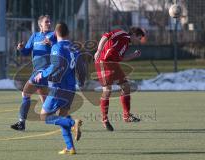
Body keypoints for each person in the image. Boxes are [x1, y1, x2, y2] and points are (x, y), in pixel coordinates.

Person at [34, 22, 86, 155]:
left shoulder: (57, 47)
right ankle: (70, 147)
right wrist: (81, 81)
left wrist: (42, 74)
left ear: (56, 33)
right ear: (68, 33)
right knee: (61, 116)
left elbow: (57, 64)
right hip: (71, 88)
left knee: (44, 116)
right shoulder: (75, 47)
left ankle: (72, 123)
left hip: (58, 88)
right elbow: (81, 66)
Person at [94, 27, 145, 131]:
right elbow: (105, 36)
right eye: (138, 38)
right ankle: (104, 120)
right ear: (134, 35)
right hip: (103, 62)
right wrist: (99, 50)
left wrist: (133, 55)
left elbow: (120, 58)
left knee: (126, 86)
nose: (138, 41)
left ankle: (127, 116)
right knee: (107, 90)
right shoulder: (121, 33)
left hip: (114, 64)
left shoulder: (126, 44)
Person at [11, 15, 57, 131]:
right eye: (46, 22)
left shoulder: (52, 35)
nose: (49, 24)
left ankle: (21, 123)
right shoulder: (35, 36)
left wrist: (51, 44)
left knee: (25, 94)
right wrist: (21, 48)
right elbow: (26, 51)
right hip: (37, 71)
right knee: (46, 106)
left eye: (50, 22)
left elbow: (59, 48)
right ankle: (68, 123)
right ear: (40, 24)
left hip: (44, 72)